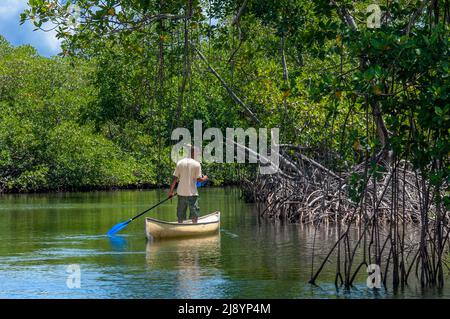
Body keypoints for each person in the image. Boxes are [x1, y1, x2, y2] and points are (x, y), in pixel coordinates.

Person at [168, 146, 208, 224]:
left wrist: (171, 192)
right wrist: (205, 178)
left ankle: (180, 228)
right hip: (192, 194)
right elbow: (199, 179)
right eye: (198, 154)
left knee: (180, 216)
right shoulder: (197, 164)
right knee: (194, 215)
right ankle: (194, 229)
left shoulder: (179, 163)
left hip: (181, 193)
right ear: (194, 153)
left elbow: (175, 179)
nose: (198, 156)